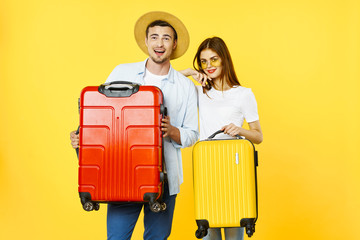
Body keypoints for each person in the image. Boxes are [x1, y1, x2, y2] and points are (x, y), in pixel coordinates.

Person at [70, 11, 199, 240]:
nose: (160, 43)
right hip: (122, 174)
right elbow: (102, 115)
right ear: (146, 41)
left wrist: (172, 131)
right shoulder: (122, 72)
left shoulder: (185, 87)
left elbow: (192, 135)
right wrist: (83, 138)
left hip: (164, 179)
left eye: (166, 38)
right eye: (155, 37)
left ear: (174, 44)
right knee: (117, 238)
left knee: (157, 238)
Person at [180, 36, 263, 240]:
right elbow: (169, 83)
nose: (209, 65)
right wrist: (191, 73)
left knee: (234, 227)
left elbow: (258, 136)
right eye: (204, 61)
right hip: (206, 167)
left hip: (234, 169)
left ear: (224, 59)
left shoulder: (243, 94)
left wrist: (240, 130)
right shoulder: (199, 91)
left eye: (214, 59)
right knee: (209, 230)